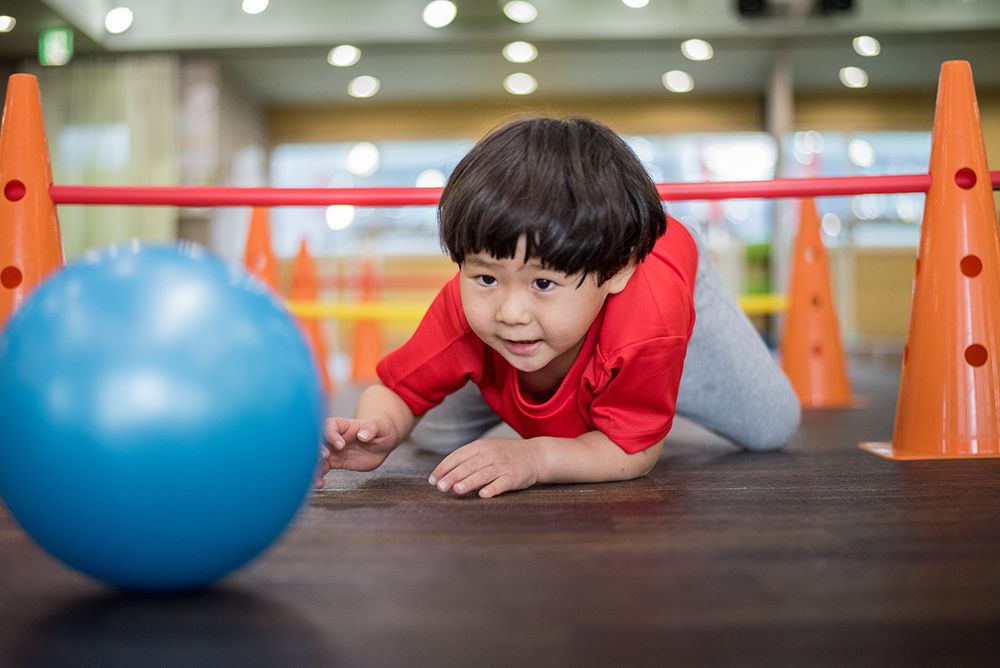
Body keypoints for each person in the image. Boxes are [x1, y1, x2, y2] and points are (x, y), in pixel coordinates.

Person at [316, 116, 800, 498]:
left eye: (542, 283)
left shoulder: (647, 326)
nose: (510, 311)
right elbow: (397, 390)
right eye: (485, 276)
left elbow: (629, 453)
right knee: (436, 441)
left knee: (770, 425)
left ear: (615, 271)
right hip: (565, 330)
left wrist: (533, 459)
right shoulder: (466, 311)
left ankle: (654, 385)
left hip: (662, 298)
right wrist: (378, 428)